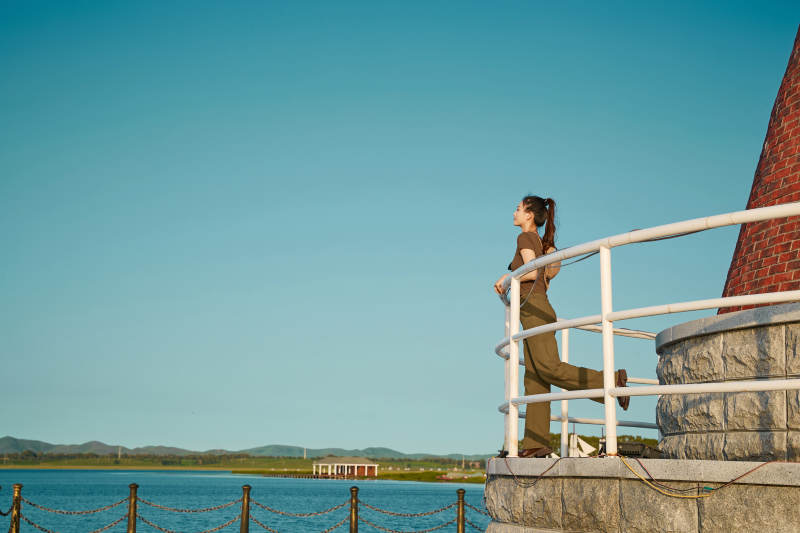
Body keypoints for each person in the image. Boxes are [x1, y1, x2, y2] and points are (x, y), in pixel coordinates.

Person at [493, 195, 628, 458]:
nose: (514, 213)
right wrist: (510, 277)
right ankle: (535, 443)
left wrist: (509, 278)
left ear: (529, 215)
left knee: (547, 368)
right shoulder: (537, 241)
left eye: (518, 209)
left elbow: (531, 272)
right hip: (533, 308)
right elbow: (545, 272)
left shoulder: (524, 238)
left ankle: (611, 381)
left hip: (535, 308)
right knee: (535, 378)